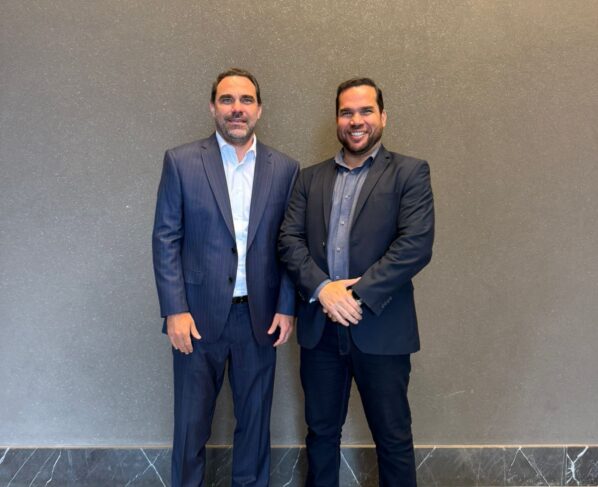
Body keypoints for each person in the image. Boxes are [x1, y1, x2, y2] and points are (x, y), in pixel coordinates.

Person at [278, 77, 434, 487]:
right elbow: (288, 240)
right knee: (321, 435)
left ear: (383, 117)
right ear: (337, 120)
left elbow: (415, 245)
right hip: (320, 330)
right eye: (347, 112)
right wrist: (323, 289)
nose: (356, 120)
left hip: (382, 328)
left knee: (393, 438)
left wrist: (353, 294)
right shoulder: (309, 179)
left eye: (366, 111)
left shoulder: (409, 172)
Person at [152, 68, 299, 487]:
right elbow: (165, 238)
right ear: (213, 107)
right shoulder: (181, 161)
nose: (237, 108)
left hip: (259, 319)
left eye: (246, 100)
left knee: (255, 425)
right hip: (195, 319)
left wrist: (286, 306)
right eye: (227, 100)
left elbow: (291, 243)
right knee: (191, 426)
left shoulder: (285, 168)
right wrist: (174, 310)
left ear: (259, 109)